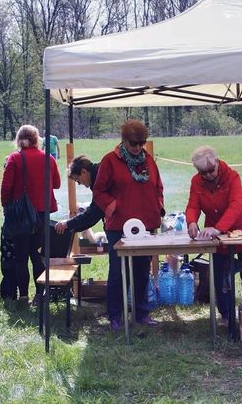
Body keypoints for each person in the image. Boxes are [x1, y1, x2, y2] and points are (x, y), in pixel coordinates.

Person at [93, 120, 164, 331]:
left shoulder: (148, 160)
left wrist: (158, 207)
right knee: (119, 271)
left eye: (142, 143)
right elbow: (99, 192)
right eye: (134, 143)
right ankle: (115, 315)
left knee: (142, 271)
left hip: (145, 226)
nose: (138, 147)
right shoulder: (110, 161)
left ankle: (141, 313)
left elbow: (158, 186)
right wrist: (112, 205)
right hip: (119, 226)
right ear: (123, 140)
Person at [185, 145, 242, 326]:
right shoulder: (196, 182)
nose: (208, 175)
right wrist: (192, 222)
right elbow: (193, 205)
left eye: (211, 170)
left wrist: (218, 228)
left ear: (217, 163)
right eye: (203, 172)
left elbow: (236, 204)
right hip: (216, 234)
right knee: (219, 274)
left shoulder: (233, 176)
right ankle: (226, 316)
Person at [0, 125, 61, 305]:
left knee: (21, 257)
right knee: (37, 255)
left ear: (18, 139)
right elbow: (56, 184)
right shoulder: (48, 158)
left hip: (20, 215)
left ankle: (24, 296)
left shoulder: (15, 158)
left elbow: (6, 188)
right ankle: (40, 295)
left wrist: (7, 208)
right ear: (37, 139)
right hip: (42, 214)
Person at [55, 155, 104, 234]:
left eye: (77, 180)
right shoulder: (98, 176)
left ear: (84, 172)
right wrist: (72, 227)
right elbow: (95, 215)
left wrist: (68, 224)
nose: (79, 183)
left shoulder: (99, 180)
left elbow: (94, 213)